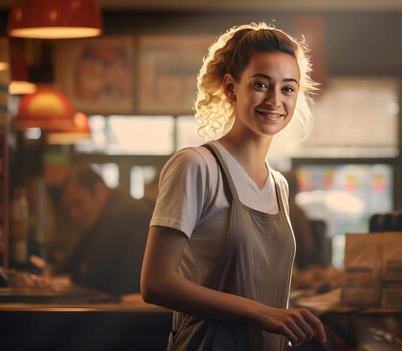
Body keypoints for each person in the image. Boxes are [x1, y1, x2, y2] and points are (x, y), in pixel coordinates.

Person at [140, 22, 327, 350]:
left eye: (287, 88)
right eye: (260, 84)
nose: (274, 100)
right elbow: (155, 283)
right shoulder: (198, 166)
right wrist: (262, 313)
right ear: (231, 87)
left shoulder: (279, 186)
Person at [58, 165, 152, 296]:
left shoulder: (121, 213)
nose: (73, 213)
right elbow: (74, 260)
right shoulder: (105, 214)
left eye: (78, 203)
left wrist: (55, 281)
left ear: (99, 190)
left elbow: (97, 277)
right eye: (70, 207)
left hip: (138, 308)